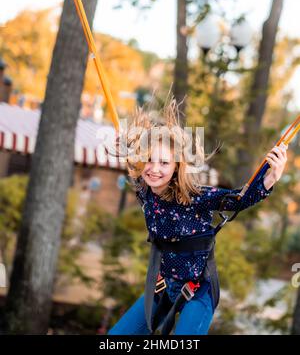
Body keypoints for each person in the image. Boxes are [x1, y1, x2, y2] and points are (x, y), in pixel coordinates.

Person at [107, 94, 288, 335]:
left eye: (164, 163)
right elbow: (132, 161)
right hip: (163, 286)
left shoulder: (194, 197)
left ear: (176, 167)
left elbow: (238, 199)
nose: (155, 169)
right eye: (149, 160)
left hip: (198, 290)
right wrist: (126, 145)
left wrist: (269, 178)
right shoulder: (145, 191)